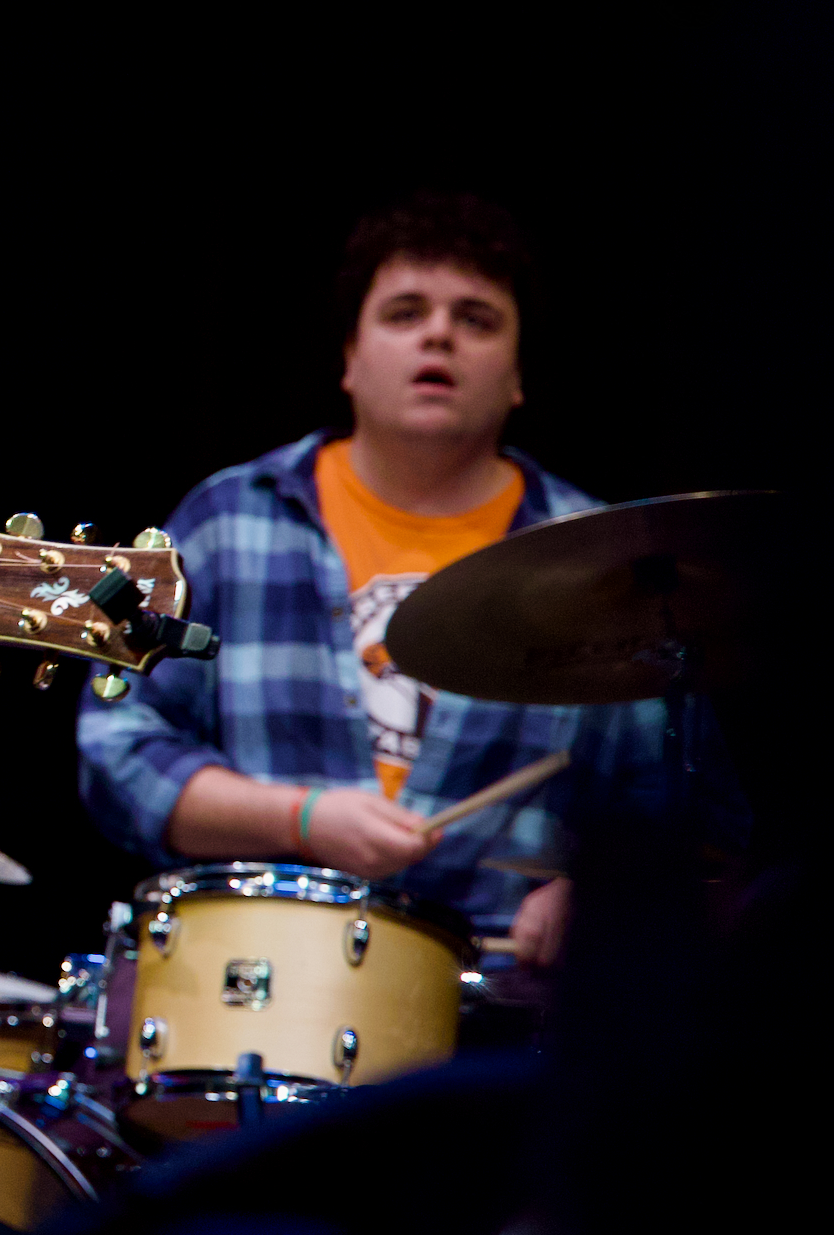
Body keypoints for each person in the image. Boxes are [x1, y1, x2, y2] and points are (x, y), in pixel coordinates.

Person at [76, 192, 677, 964]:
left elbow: (668, 802)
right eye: (405, 313)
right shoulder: (231, 519)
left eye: (477, 319)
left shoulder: (600, 558)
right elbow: (118, 748)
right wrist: (299, 819)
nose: (439, 334)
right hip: (254, 983)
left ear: (519, 376)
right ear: (349, 361)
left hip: (501, 1011)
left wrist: (596, 891)